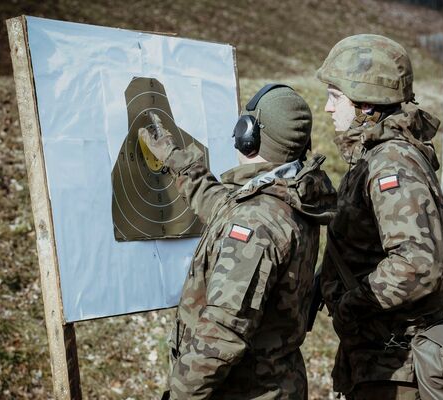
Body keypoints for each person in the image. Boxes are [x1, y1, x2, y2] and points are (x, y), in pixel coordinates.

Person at [140, 84, 337, 399]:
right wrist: (176, 159)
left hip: (243, 389)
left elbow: (222, 332)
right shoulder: (287, 193)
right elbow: (222, 203)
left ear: (249, 135)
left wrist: (180, 394)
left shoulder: (254, 224)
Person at [316, 34, 443, 399]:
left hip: (396, 366)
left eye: (334, 97)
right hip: (382, 359)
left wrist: (349, 305)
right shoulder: (379, 155)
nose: (328, 109)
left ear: (366, 104)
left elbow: (418, 263)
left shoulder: (391, 162)